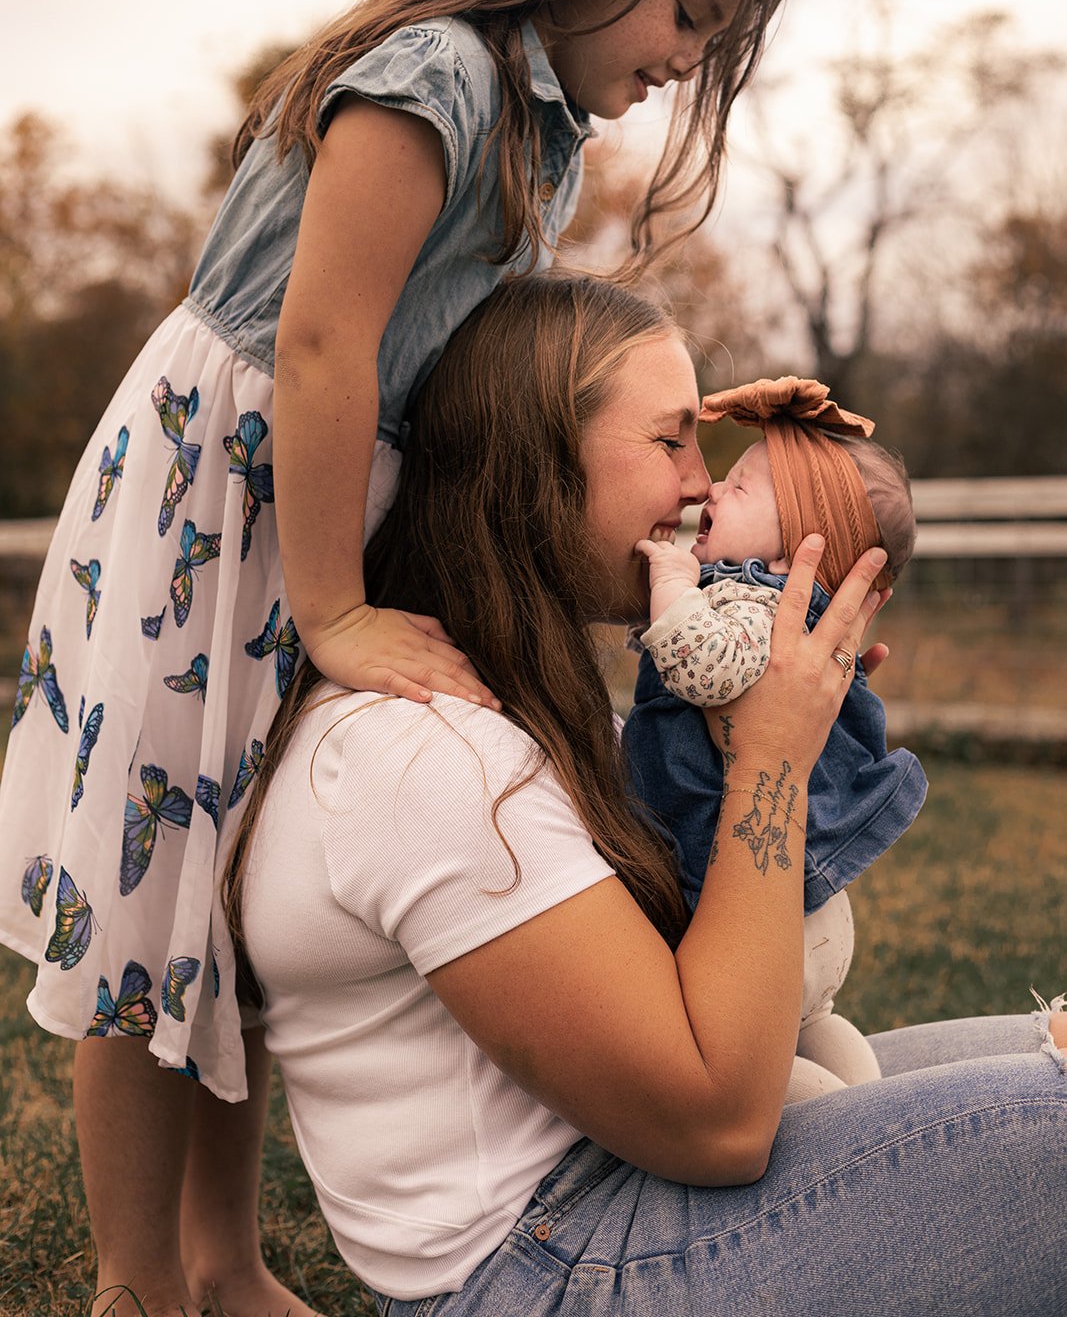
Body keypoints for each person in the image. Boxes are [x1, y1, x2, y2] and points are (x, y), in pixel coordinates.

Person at [0, 0, 798, 1317]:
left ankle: (227, 1263)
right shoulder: (431, 77)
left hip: (315, 501)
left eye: (708, 41)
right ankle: (135, 1285)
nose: (681, 61)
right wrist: (336, 608)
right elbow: (318, 347)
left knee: (224, 896)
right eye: (686, 14)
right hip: (218, 510)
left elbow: (448, 367)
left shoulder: (541, 133)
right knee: (150, 893)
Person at [228, 277, 1067, 1317]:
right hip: (547, 1266)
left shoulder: (524, 714)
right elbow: (719, 1122)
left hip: (619, 1191)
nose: (698, 484)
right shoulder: (420, 759)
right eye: (670, 440)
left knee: (1053, 1048)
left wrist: (773, 719)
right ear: (535, 463)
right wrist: (768, 760)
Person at [624, 375, 929, 1103]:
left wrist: (669, 582)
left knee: (760, 1070)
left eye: (740, 486)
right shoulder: (795, 625)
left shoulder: (750, 603)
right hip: (806, 912)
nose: (712, 494)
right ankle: (864, 1099)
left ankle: (831, 1132)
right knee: (811, 1023)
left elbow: (704, 668)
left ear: (800, 544)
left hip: (747, 915)